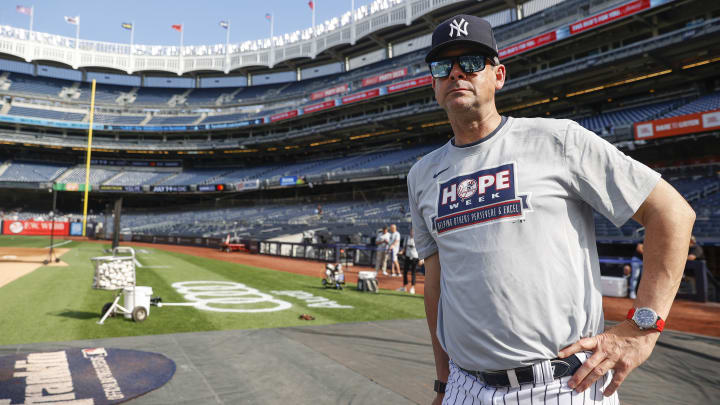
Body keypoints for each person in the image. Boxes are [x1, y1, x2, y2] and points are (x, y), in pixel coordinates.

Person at [407, 15, 696, 405]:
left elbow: (672, 213)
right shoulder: (422, 175)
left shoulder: (558, 139)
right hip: (465, 386)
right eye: (443, 67)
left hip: (561, 385)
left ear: (499, 75)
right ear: (434, 84)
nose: (457, 73)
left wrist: (643, 328)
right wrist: (443, 382)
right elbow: (437, 284)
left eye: (472, 62)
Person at [397, 228, 422, 294]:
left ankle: (412, 287)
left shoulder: (418, 239)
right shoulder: (407, 238)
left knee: (413, 273)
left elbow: (421, 250)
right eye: (411, 231)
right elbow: (404, 248)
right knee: (405, 272)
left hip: (415, 258)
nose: (412, 233)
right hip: (407, 257)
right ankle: (404, 287)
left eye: (413, 231)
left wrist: (421, 259)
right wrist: (401, 252)